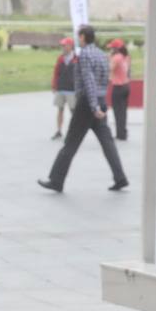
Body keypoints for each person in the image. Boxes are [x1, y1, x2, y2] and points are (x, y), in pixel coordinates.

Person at [39, 24, 129, 194]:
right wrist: (100, 103)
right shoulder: (102, 55)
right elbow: (104, 80)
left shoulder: (85, 55)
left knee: (70, 143)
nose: (76, 39)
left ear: (82, 37)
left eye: (78, 36)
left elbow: (88, 81)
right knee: (107, 142)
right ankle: (120, 177)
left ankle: (56, 180)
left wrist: (93, 105)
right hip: (100, 100)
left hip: (88, 103)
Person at [51, 37, 77, 140]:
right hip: (61, 88)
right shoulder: (60, 58)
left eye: (64, 45)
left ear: (70, 46)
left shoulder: (76, 58)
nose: (63, 47)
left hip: (72, 89)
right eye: (62, 45)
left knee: (73, 111)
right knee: (60, 109)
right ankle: (59, 130)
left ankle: (74, 132)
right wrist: (54, 85)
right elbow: (56, 72)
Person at [109, 40, 131, 141]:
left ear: (115, 49)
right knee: (123, 111)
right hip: (126, 85)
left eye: (112, 48)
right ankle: (123, 132)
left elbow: (110, 69)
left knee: (117, 111)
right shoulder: (125, 57)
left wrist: (110, 59)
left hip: (118, 86)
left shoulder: (116, 57)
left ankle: (120, 134)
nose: (110, 49)